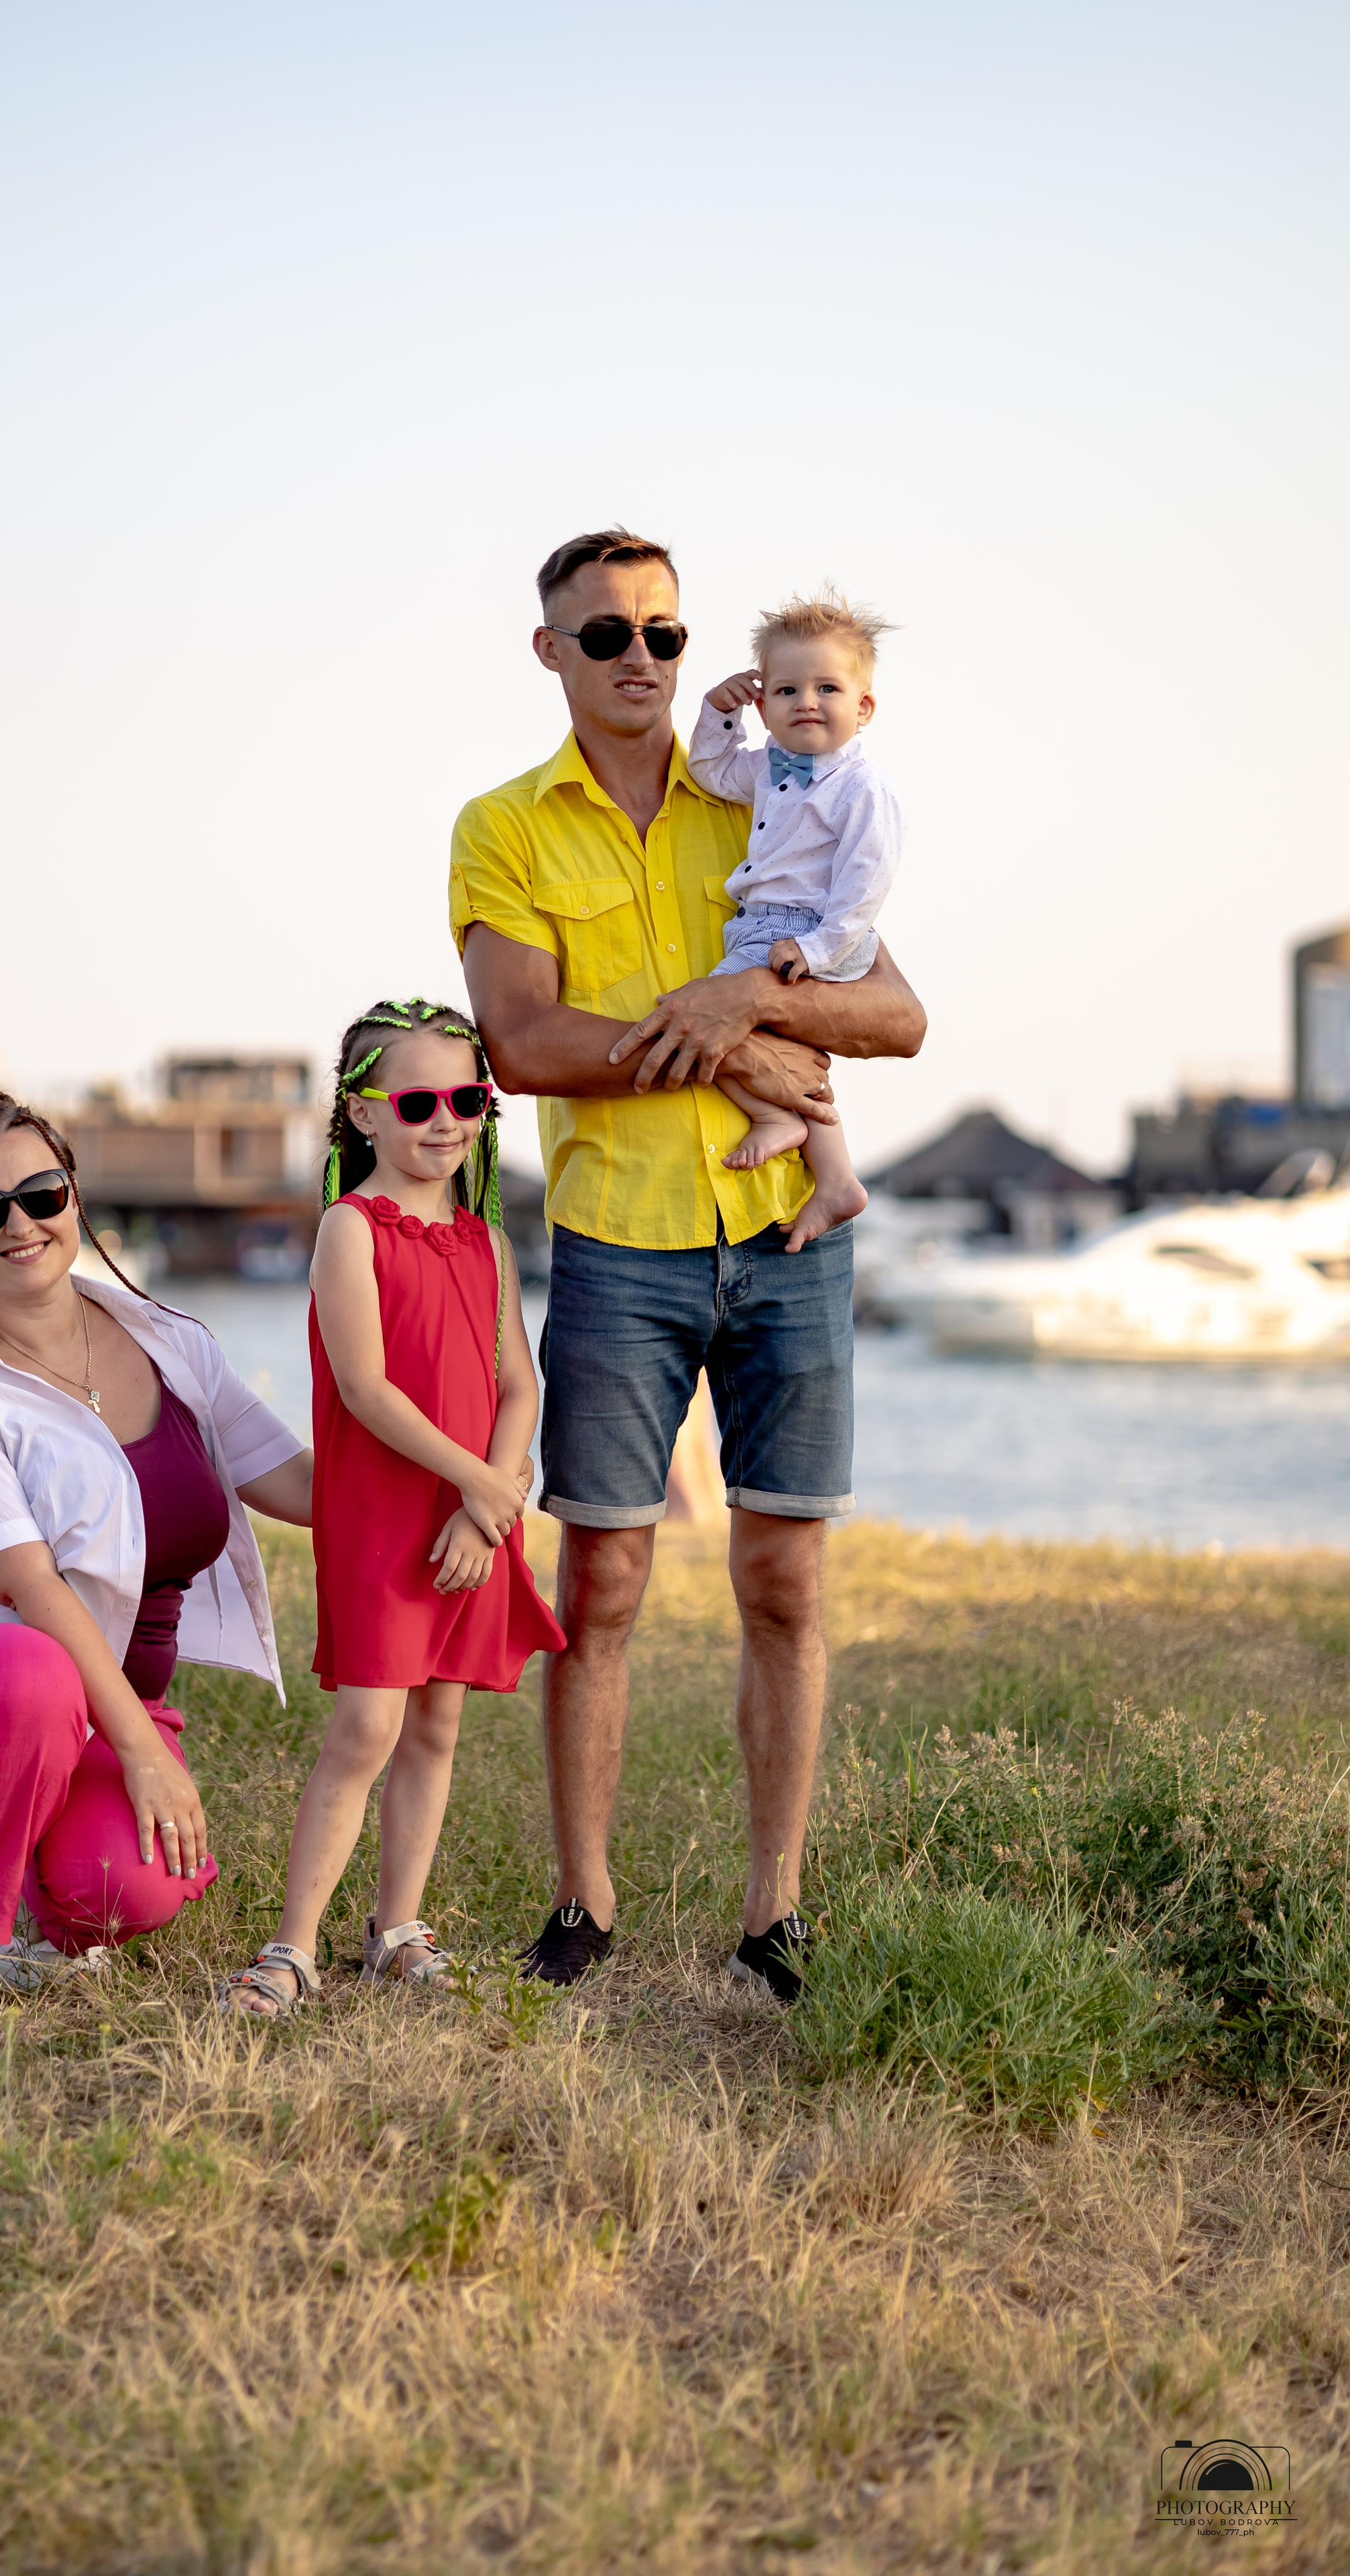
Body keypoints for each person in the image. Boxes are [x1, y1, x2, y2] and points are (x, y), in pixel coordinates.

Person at [451, 529, 926, 1996]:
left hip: (785, 1238)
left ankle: (773, 1912)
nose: (641, 661)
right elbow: (521, 1046)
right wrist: (718, 1031)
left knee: (784, 1583)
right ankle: (582, 1905)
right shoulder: (502, 828)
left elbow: (895, 1014)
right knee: (599, 1584)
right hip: (614, 1249)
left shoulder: (774, 784)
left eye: (661, 634)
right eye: (606, 637)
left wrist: (732, 998)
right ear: (551, 654)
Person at [0, 1090, 313, 2035]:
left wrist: (452, 1472)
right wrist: (145, 1754)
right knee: (32, 1667)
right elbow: (31, 1591)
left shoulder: (174, 1343)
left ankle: (27, 1903)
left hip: (98, 1707)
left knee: (125, 1893)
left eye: (40, 1194)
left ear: (75, 1197)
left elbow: (301, 1485)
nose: (20, 1224)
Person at [221, 998, 563, 2017]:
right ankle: (291, 1949)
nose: (447, 1121)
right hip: (385, 1519)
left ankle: (396, 1927)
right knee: (369, 1724)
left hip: (469, 1524)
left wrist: (488, 1507)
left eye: (468, 1098)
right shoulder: (348, 1232)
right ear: (363, 1115)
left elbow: (521, 1388)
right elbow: (367, 1390)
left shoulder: (487, 1243)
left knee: (438, 1722)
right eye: (419, 1101)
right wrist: (480, 1482)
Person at [686, 590, 903, 1245]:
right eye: (785, 690)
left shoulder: (861, 787)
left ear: (863, 708)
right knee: (786, 1053)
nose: (805, 701)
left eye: (827, 688)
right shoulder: (769, 769)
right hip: (768, 928)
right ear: (764, 706)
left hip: (805, 931)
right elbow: (709, 770)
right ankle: (836, 1182)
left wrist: (816, 949)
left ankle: (778, 1123)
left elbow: (867, 881)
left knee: (700, 1022)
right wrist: (716, 712)